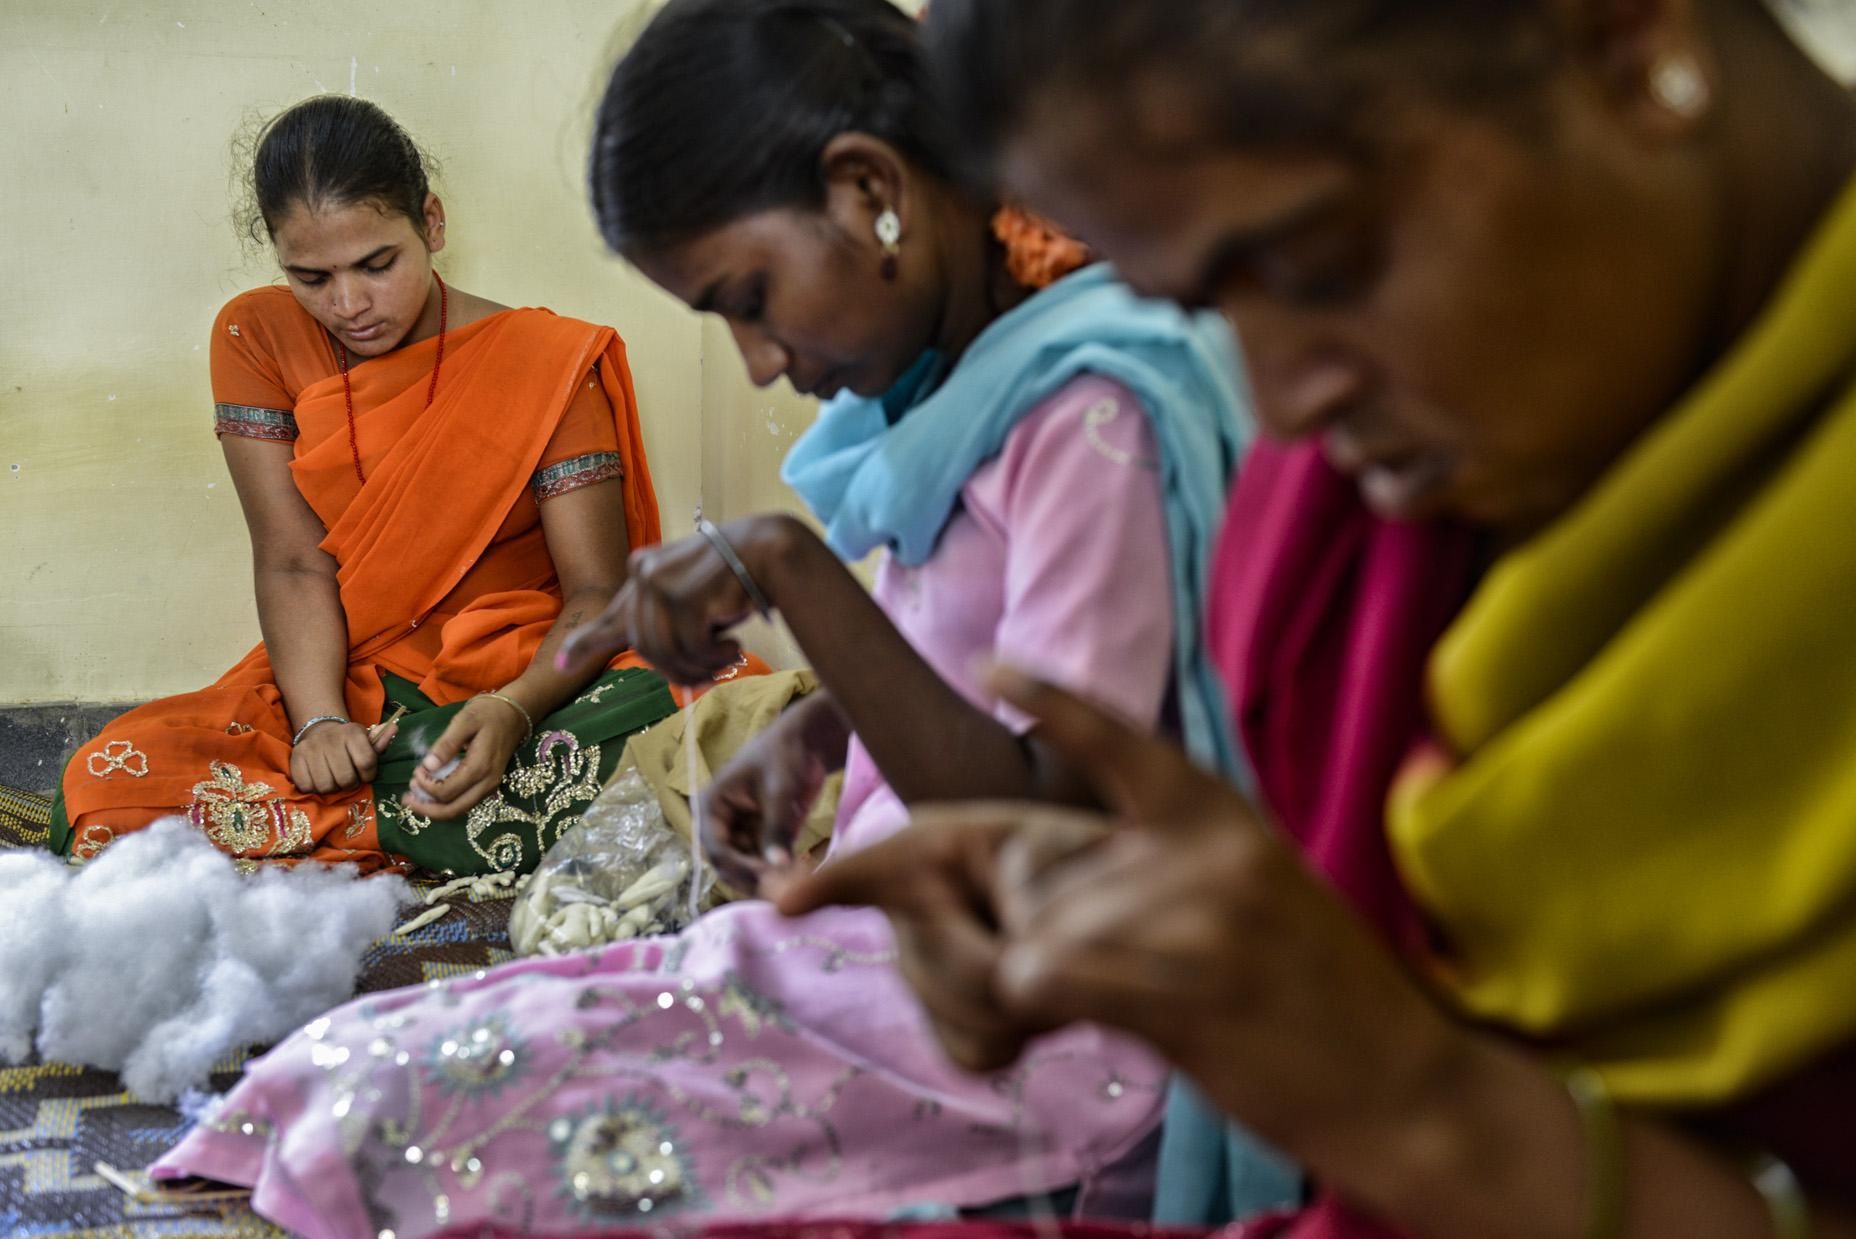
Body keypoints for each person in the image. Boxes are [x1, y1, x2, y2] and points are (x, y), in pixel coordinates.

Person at [148, 3, 1262, 1234]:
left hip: (1035, 1002)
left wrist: (786, 571)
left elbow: (1050, 812)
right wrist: (826, 732)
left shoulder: (1090, 419)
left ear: (868, 191)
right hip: (897, 939)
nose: (757, 363)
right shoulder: (974, 383)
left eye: (749, 297)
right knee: (358, 1064)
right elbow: (975, 663)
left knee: (445, 1118)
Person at [779, 0, 1856, 1236]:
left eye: (1317, 265)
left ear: (1621, 42)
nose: (1284, 405)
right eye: (1204, 308)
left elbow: (1413, 1112)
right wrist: (1149, 927)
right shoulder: (1336, 532)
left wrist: (1425, 1107)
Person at [50, 96, 676, 876]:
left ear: (433, 225)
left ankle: (356, 814)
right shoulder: (257, 337)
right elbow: (291, 562)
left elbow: (597, 594)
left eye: (377, 264)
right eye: (311, 276)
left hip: (522, 670)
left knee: (694, 720)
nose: (349, 305)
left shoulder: (545, 361)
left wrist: (515, 709)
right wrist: (318, 723)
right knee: (103, 785)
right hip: (350, 675)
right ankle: (407, 807)